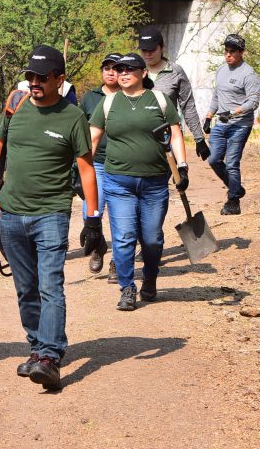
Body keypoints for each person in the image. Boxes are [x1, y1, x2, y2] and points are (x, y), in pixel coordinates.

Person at [0, 44, 98, 391]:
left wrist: (92, 218)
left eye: (42, 77)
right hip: (11, 215)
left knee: (50, 286)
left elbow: (86, 170)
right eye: (30, 75)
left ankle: (50, 356)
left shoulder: (73, 117)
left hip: (51, 214)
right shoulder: (15, 106)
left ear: (59, 80)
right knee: (25, 289)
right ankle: (37, 347)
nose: (34, 82)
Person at [88, 53, 188, 312]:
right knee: (123, 238)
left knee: (152, 239)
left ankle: (151, 277)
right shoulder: (109, 103)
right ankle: (127, 288)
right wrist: (82, 172)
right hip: (118, 183)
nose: (122, 73)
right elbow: (93, 138)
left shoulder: (159, 100)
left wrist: (183, 166)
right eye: (119, 69)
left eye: (129, 69)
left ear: (143, 73)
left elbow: (175, 134)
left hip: (154, 183)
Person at [203, 34, 260, 215]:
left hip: (240, 124)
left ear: (241, 52)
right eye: (226, 51)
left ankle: (233, 201)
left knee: (232, 163)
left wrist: (233, 112)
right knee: (213, 159)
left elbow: (253, 102)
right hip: (221, 122)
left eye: (232, 52)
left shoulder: (249, 74)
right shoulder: (221, 70)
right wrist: (208, 116)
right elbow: (216, 95)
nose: (228, 55)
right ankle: (236, 188)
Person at [136, 26, 211, 162]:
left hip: (168, 135)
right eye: (144, 50)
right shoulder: (132, 71)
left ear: (162, 47)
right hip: (138, 136)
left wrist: (199, 138)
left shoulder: (175, 72)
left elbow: (187, 106)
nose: (147, 54)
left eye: (152, 50)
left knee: (162, 178)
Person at [77, 53, 122, 275]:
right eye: (106, 68)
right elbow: (79, 129)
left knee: (118, 214)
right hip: (95, 164)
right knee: (91, 210)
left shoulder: (129, 95)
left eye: (115, 68)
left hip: (122, 164)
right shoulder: (90, 97)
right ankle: (98, 245)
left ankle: (117, 260)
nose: (110, 72)